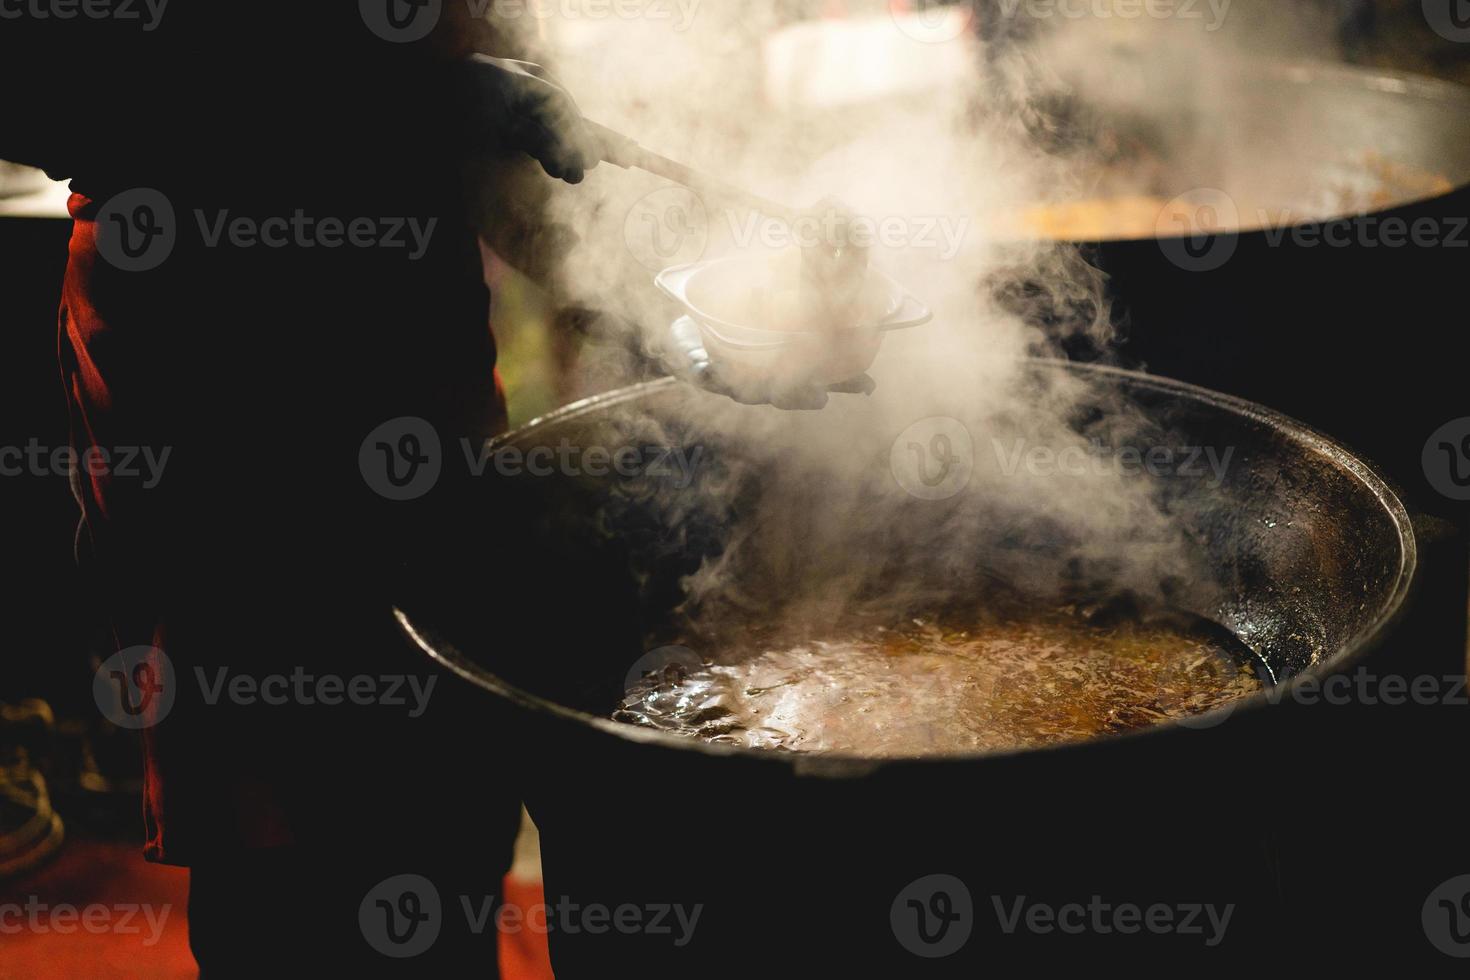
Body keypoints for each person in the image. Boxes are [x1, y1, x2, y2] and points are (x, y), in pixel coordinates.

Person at [2, 6, 599, 975]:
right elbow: (35, 79)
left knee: (449, 779)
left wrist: (659, 300)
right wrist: (391, 96)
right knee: (288, 842)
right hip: (215, 374)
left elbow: (477, 63)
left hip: (412, 339)